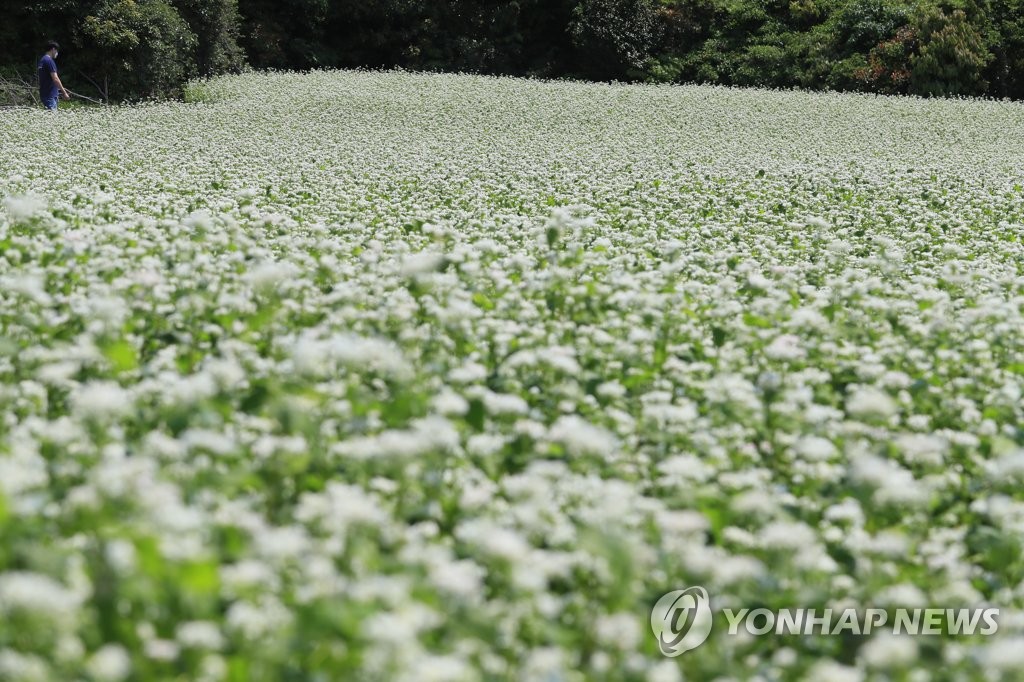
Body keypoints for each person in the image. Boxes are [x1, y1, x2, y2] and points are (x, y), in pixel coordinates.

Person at [38, 41, 70, 111]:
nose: (57, 53)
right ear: (53, 49)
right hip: (50, 95)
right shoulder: (49, 61)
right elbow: (55, 78)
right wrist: (64, 93)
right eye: (57, 50)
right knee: (52, 118)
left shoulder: (42, 60)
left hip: (45, 94)